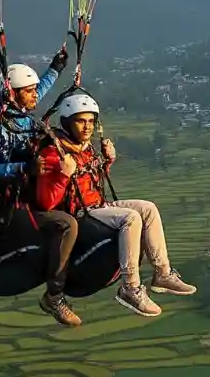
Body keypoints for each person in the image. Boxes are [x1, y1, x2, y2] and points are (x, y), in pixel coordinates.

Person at [35, 92, 196, 317]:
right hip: (80, 213)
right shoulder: (54, 152)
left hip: (98, 205)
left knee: (147, 208)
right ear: (67, 122)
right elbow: (45, 201)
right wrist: (63, 176)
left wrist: (107, 161)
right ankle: (130, 288)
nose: (87, 127)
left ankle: (163, 273)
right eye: (81, 121)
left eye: (91, 121)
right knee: (131, 218)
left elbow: (90, 181)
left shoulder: (85, 147)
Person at [0, 44, 80, 325]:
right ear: (12, 94)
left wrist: (56, 68)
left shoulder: (20, 113)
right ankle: (54, 297)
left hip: (28, 196)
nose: (35, 95)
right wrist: (23, 167)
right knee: (67, 223)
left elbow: (39, 89)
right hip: (6, 209)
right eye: (29, 91)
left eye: (33, 90)